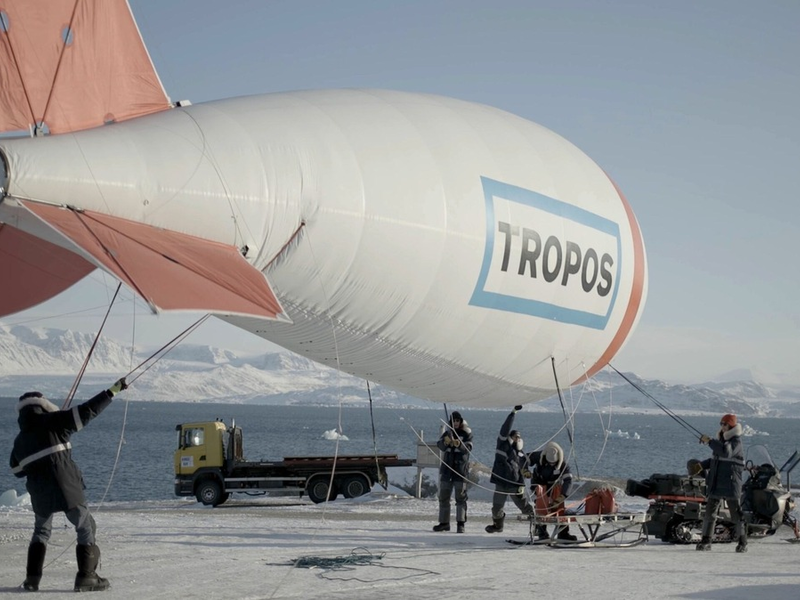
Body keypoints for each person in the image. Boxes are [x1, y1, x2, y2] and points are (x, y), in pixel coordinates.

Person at [10, 378, 128, 592]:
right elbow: (87, 411)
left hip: (40, 494)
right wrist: (112, 391)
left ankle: (32, 579)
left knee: (41, 531)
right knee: (86, 527)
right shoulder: (55, 422)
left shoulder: (19, 441)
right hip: (67, 489)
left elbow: (17, 471)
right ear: (43, 406)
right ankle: (87, 577)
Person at [696, 413, 746, 553]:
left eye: (725, 424)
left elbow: (726, 453)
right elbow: (716, 460)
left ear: (731, 426)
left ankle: (742, 542)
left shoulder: (736, 441)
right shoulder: (721, 441)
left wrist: (710, 442)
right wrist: (701, 465)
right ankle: (706, 541)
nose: (722, 426)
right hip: (716, 482)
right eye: (721, 424)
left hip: (731, 484)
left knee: (736, 514)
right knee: (709, 513)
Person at [485, 405, 533, 533]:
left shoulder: (521, 454)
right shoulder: (502, 444)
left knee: (524, 507)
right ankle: (498, 526)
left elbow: (524, 470)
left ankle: (538, 526)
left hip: (514, 485)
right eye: (515, 437)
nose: (517, 439)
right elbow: (505, 428)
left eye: (519, 437)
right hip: (501, 483)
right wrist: (513, 413)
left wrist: (524, 481)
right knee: (496, 508)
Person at [432, 411, 474, 533]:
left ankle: (461, 524)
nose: (455, 423)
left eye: (457, 420)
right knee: (443, 497)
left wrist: (459, 444)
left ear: (461, 421)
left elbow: (468, 448)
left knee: (460, 498)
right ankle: (444, 523)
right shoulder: (448, 433)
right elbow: (440, 446)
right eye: (453, 421)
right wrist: (445, 442)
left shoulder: (467, 434)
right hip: (447, 471)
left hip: (460, 471)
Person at [529, 441, 577, 541]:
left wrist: (563, 495)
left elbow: (568, 480)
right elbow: (522, 458)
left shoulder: (563, 464)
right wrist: (524, 470)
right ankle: (542, 533)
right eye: (550, 462)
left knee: (559, 509)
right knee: (542, 509)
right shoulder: (538, 456)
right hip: (540, 485)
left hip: (555, 486)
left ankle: (563, 533)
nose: (551, 464)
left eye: (553, 463)